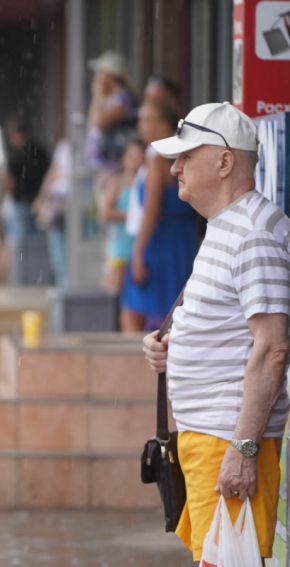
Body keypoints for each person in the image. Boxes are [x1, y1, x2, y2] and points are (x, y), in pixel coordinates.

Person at [141, 101, 289, 563]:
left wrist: (243, 448)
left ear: (225, 162)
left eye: (186, 155)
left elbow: (272, 348)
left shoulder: (253, 233)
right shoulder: (230, 227)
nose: (174, 168)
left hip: (227, 439)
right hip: (212, 437)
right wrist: (176, 343)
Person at [120, 99, 198, 332]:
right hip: (182, 242)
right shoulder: (183, 153)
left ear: (164, 125)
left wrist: (137, 253)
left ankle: (135, 366)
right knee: (176, 313)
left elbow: (151, 209)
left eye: (146, 120)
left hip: (159, 243)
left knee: (133, 313)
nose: (140, 126)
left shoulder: (157, 157)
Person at [100, 137, 145, 296]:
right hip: (119, 246)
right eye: (131, 156)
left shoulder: (145, 182)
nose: (135, 161)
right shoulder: (117, 183)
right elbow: (106, 212)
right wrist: (132, 216)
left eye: (139, 157)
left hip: (138, 247)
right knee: (115, 289)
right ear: (124, 160)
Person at [85, 51, 138, 174]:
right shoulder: (109, 97)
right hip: (102, 165)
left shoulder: (123, 98)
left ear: (110, 74)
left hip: (111, 166)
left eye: (100, 72)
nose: (96, 76)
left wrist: (97, 93)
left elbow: (98, 122)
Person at [3, 115, 50, 253]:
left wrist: (10, 196)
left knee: (20, 245)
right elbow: (47, 175)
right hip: (40, 201)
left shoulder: (12, 153)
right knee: (39, 244)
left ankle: (21, 273)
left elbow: (10, 180)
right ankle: (36, 272)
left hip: (20, 201)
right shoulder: (39, 150)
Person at [31, 138, 72, 288]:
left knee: (71, 248)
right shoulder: (63, 146)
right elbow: (52, 173)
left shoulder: (91, 142)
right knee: (57, 248)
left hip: (78, 202)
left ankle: (69, 284)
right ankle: (63, 285)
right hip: (57, 202)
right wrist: (41, 198)